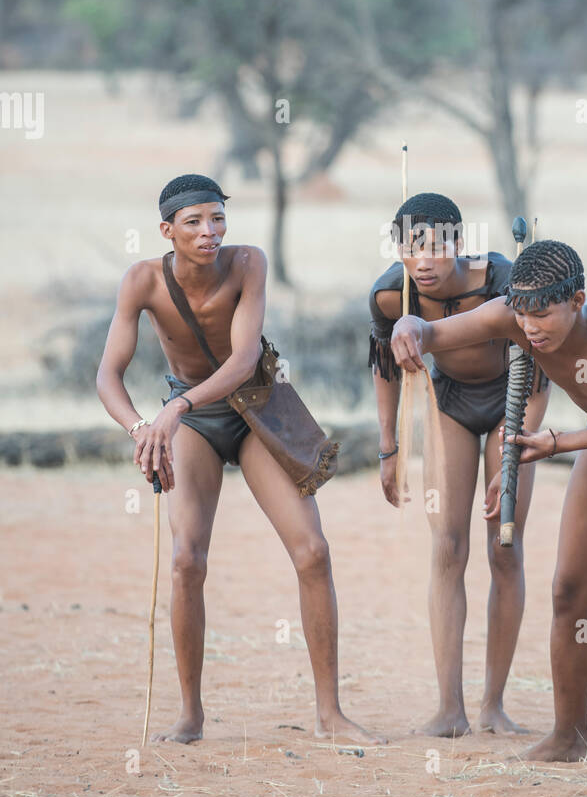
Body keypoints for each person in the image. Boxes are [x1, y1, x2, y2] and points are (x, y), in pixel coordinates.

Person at [390, 238, 587, 778]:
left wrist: (557, 443)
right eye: (523, 312)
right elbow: (436, 333)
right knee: (567, 592)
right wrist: (410, 329)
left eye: (543, 313)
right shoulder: (516, 316)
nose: (531, 327)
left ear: (578, 300)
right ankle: (569, 737)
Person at [96, 173, 382, 747]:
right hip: (193, 424)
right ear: (166, 230)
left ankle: (330, 714)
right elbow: (108, 375)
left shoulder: (249, 263)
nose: (210, 232)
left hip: (255, 407)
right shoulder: (141, 281)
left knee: (313, 551)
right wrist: (140, 427)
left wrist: (173, 408)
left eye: (218, 218)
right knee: (186, 560)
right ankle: (190, 716)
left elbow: (243, 357)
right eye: (195, 222)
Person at [369, 193, 549, 737]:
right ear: (398, 247)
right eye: (411, 246)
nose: (423, 260)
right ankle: (451, 709)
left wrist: (515, 449)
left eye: (437, 246)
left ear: (459, 243)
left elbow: (542, 369)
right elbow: (384, 370)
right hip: (449, 405)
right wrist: (388, 447)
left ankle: (493, 704)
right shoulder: (388, 296)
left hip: (511, 407)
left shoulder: (501, 280)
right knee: (447, 546)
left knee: (504, 545)